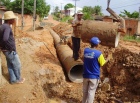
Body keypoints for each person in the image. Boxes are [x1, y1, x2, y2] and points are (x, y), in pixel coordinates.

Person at [82, 37, 111, 103]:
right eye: (98, 43)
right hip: (94, 76)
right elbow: (102, 63)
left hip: (86, 75)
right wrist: (108, 59)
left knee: (85, 91)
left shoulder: (85, 50)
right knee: (91, 92)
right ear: (97, 45)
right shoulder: (98, 54)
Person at [0, 11, 25, 84]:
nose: (14, 20)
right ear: (9, 19)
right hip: (10, 50)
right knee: (17, 65)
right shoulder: (7, 27)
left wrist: (2, 46)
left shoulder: (2, 26)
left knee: (10, 64)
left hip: (5, 50)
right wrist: (9, 47)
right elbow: (5, 38)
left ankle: (13, 80)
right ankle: (18, 79)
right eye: (13, 19)